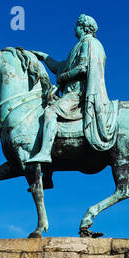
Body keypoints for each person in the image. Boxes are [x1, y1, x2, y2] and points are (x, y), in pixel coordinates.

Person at [26, 13, 116, 163]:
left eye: (76, 26)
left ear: (83, 28)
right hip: (72, 92)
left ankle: (45, 153)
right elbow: (60, 66)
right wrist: (44, 57)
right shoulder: (80, 45)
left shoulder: (88, 43)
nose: (74, 28)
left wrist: (63, 77)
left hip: (77, 93)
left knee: (50, 112)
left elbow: (83, 68)